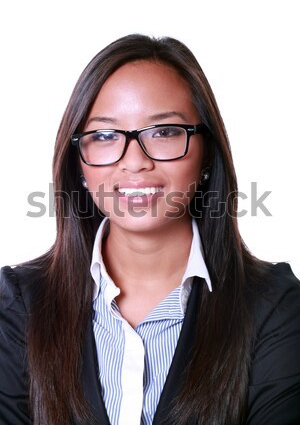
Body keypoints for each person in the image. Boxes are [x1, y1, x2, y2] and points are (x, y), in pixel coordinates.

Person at [0, 34, 299, 425]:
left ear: (207, 152)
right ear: (79, 163)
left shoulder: (275, 308)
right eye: (105, 136)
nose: (135, 162)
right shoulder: (20, 305)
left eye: (164, 132)